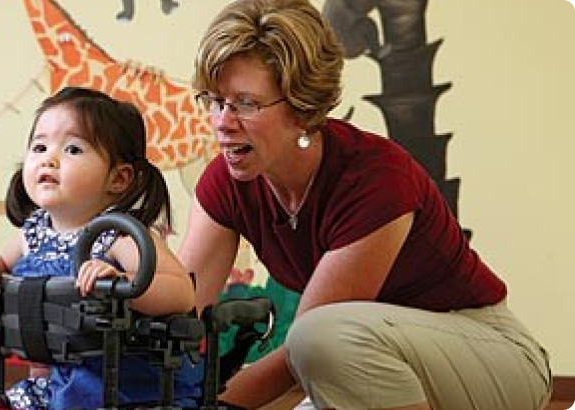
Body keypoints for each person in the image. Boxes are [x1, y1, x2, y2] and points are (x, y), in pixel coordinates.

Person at [177, 1, 552, 410]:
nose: (222, 121)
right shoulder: (228, 181)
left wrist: (190, 405)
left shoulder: (376, 179)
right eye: (214, 100)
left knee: (314, 336)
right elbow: (180, 312)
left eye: (246, 103)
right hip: (375, 363)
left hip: (491, 356)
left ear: (302, 107)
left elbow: (300, 354)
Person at [0, 86, 198, 410]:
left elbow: (182, 292)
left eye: (72, 149)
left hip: (117, 390)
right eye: (39, 147)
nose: (49, 159)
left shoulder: (120, 235)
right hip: (49, 385)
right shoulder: (33, 233)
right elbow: (2, 281)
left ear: (119, 179)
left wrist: (122, 283)